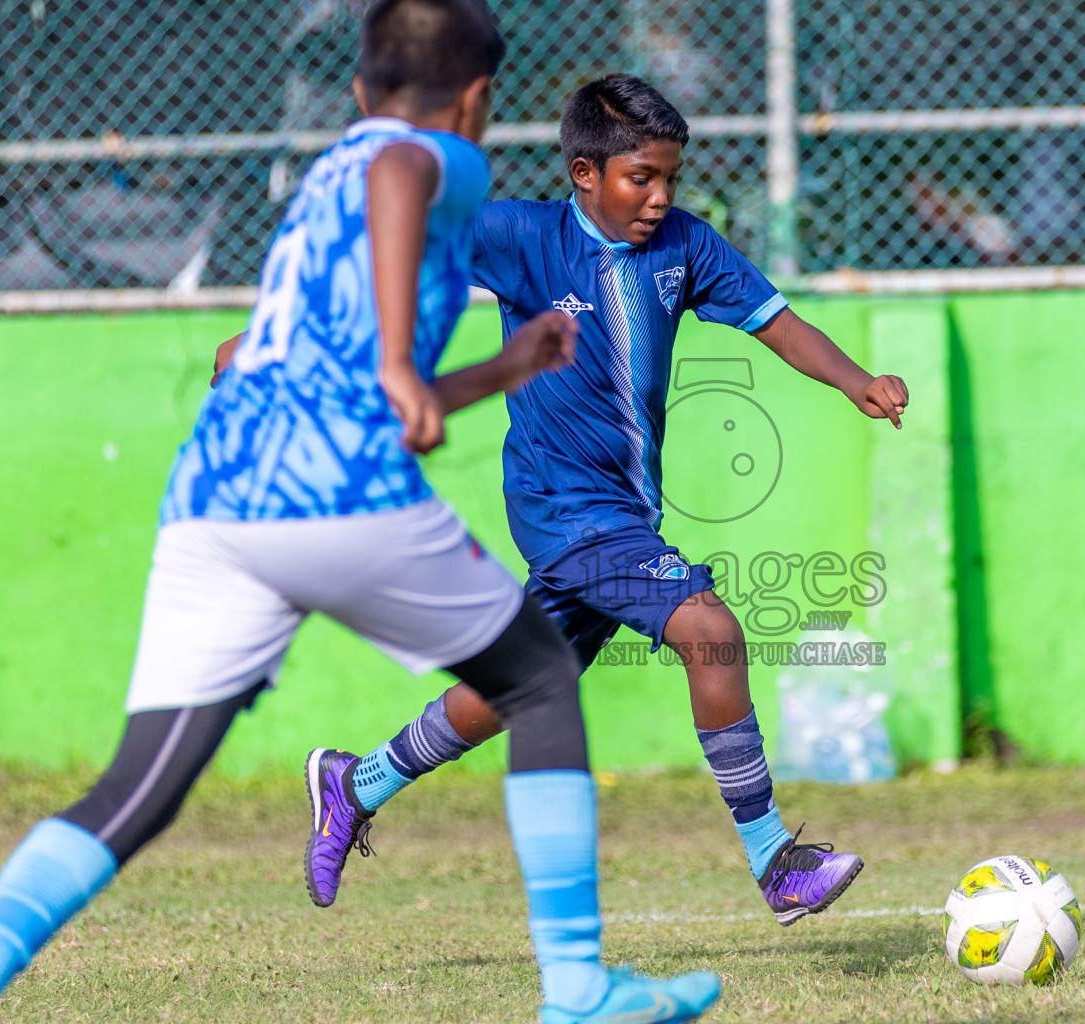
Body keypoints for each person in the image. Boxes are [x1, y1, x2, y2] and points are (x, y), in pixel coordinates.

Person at [0, 7, 720, 1024]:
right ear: (477, 98)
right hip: (335, 493)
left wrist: (499, 367)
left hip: (216, 501)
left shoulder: (322, 184)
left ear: (360, 88)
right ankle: (578, 987)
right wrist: (407, 355)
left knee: (136, 791)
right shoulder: (433, 158)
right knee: (540, 677)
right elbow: (399, 185)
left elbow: (370, 390)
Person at [287, 74, 911, 926]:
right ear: (585, 173)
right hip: (561, 507)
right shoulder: (519, 237)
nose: (659, 198)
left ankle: (355, 783)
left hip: (620, 515)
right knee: (711, 629)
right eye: (639, 179)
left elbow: (776, 320)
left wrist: (855, 381)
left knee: (516, 684)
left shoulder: (685, 246)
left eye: (669, 180)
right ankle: (775, 861)